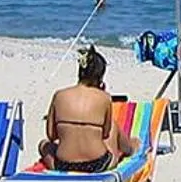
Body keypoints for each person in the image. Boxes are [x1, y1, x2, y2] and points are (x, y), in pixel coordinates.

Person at [41, 44, 137, 173]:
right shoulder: (104, 98)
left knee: (44, 145)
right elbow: (106, 133)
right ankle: (130, 148)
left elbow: (51, 135)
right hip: (97, 164)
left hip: (63, 164)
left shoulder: (59, 95)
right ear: (100, 77)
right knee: (113, 127)